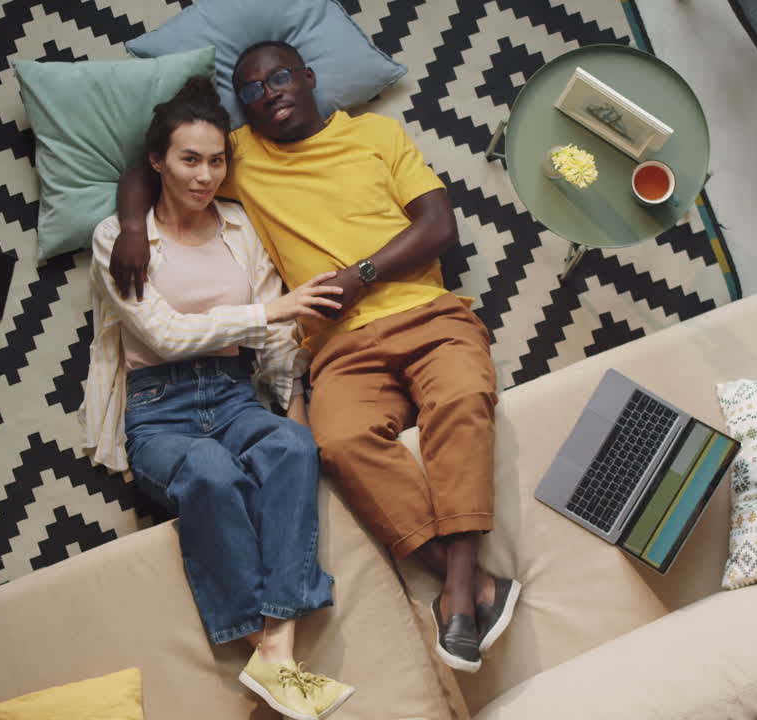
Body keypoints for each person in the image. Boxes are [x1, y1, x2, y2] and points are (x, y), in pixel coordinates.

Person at [110, 42, 520, 674]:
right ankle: (476, 586)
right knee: (338, 443)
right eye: (250, 88)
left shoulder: (378, 135)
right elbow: (153, 162)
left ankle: (459, 596)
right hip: (335, 347)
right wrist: (134, 228)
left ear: (307, 77)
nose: (268, 92)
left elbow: (439, 225)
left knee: (462, 398)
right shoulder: (236, 156)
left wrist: (360, 275)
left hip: (426, 313)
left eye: (279, 77)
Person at [81, 75, 353, 720]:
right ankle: (269, 646)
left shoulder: (238, 225)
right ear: (157, 162)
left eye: (215, 160)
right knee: (211, 471)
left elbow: (282, 331)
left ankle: (275, 655)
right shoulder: (118, 241)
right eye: (189, 159)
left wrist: (293, 401)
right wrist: (267, 309)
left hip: (232, 395)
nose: (205, 175)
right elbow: (167, 336)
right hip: (158, 408)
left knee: (292, 445)